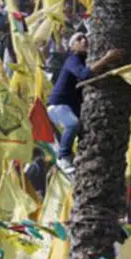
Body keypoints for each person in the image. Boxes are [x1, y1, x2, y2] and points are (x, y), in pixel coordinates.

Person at [47, 32, 122, 173]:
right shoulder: (72, 59)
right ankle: (62, 156)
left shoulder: (84, 62)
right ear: (72, 47)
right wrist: (107, 59)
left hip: (71, 108)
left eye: (85, 38)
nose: (84, 40)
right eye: (79, 39)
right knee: (72, 124)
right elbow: (85, 75)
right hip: (58, 106)